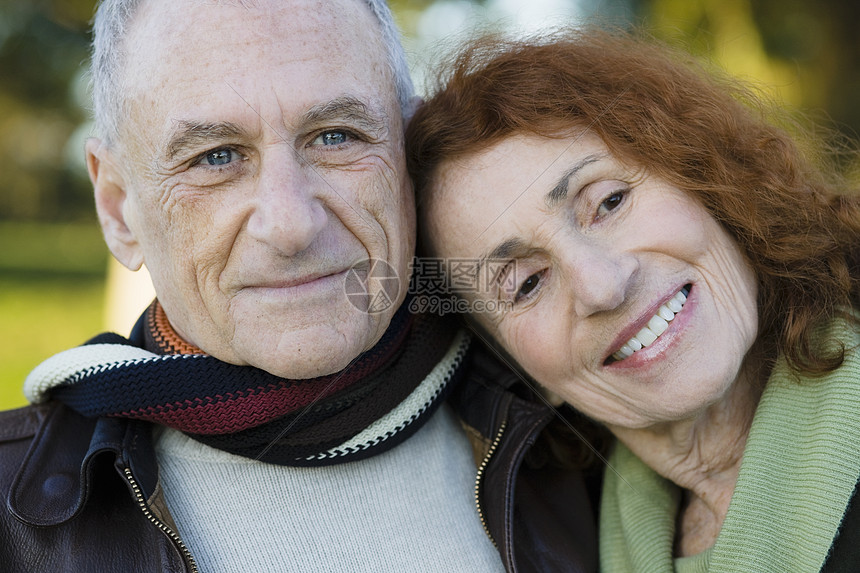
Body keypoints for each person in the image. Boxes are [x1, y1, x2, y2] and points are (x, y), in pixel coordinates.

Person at [0, 1, 603, 570]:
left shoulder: (583, 427)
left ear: (411, 157)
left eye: (337, 136)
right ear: (117, 207)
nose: (290, 225)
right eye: (216, 157)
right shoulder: (13, 522)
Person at [406, 27, 860, 572]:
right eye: (525, 283)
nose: (603, 285)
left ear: (707, 181)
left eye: (609, 202)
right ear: (522, 371)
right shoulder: (573, 548)